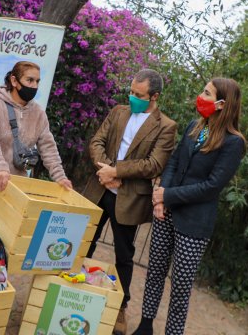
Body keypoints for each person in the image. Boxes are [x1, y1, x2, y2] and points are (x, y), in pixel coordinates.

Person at [132, 78, 246, 335]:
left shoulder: (233, 142)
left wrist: (167, 195)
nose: (200, 96)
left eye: (206, 93)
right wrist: (160, 197)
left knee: (181, 287)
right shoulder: (196, 126)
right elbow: (174, 162)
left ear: (221, 104)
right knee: (155, 272)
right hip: (167, 212)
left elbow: (211, 186)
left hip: (194, 223)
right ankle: (145, 325)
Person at [83, 69, 177, 335]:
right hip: (100, 189)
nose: (133, 97)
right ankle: (75, 289)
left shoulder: (166, 127)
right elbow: (97, 141)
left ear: (154, 96)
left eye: (139, 95)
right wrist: (106, 171)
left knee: (123, 256)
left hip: (129, 199)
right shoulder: (118, 111)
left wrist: (117, 172)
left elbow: (154, 164)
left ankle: (119, 309)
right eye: (132, 92)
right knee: (85, 242)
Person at [0, 61, 73, 218]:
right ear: (14, 81)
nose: (34, 86)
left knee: (1, 237)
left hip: (12, 189)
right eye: (30, 80)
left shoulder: (38, 114)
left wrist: (60, 177)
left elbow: (48, 147)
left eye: (37, 81)